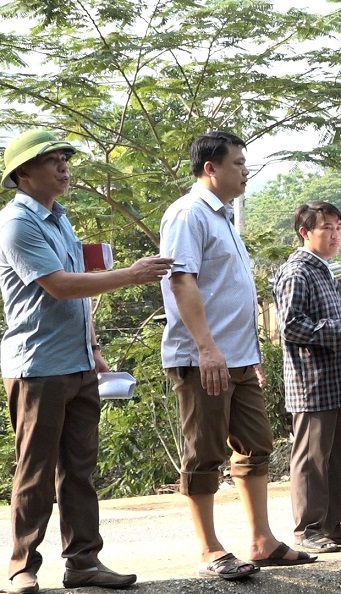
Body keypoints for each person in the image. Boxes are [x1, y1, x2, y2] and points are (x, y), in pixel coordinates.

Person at [0, 129, 173, 594]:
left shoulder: (60, 220)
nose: (63, 167)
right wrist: (133, 275)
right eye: (52, 160)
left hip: (76, 362)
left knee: (79, 468)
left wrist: (94, 349)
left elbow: (78, 292)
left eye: (64, 159)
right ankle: (21, 567)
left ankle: (83, 563)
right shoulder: (17, 222)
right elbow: (60, 285)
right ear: (22, 172)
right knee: (35, 470)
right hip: (37, 366)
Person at [160, 131, 315, 580]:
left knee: (256, 444)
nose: (246, 171)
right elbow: (182, 282)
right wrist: (207, 349)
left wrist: (249, 355)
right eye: (238, 164)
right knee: (204, 450)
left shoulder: (223, 217)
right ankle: (209, 548)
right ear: (211, 168)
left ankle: (261, 539)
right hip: (201, 359)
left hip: (239, 358)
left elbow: (231, 292)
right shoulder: (189, 214)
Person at [272, 201, 341, 554]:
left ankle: (331, 523)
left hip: (331, 379)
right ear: (305, 232)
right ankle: (308, 528)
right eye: (326, 228)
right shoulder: (297, 272)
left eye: (338, 227)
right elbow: (289, 326)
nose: (335, 235)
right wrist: (340, 327)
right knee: (311, 456)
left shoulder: (323, 270)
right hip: (311, 382)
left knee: (334, 454)